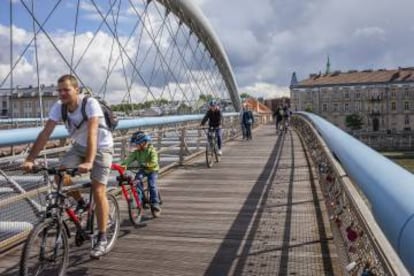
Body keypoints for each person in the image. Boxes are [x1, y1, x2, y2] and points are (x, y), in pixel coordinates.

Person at [22, 74, 113, 259]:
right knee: (59, 176)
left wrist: (89, 161)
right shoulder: (59, 107)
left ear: (76, 90)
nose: (62, 93)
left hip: (101, 147)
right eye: (59, 90)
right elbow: (46, 132)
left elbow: (93, 132)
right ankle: (81, 203)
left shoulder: (90, 104)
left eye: (66, 90)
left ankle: (102, 237)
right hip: (79, 146)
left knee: (98, 190)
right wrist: (30, 158)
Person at [121, 131, 161, 217]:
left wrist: (147, 164)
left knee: (152, 185)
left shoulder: (152, 151)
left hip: (152, 170)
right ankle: (140, 200)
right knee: (137, 181)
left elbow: (154, 162)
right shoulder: (137, 152)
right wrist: (123, 165)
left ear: (143, 143)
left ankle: (155, 203)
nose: (136, 146)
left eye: (137, 144)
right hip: (143, 170)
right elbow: (129, 159)